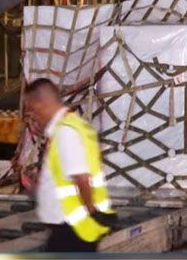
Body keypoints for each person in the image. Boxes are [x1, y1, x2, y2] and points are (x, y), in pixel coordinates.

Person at [23, 78, 117, 252]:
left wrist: (91, 212)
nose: (32, 115)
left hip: (73, 229)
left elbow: (81, 178)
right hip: (68, 227)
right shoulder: (65, 128)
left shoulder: (66, 132)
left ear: (42, 103)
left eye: (32, 109)